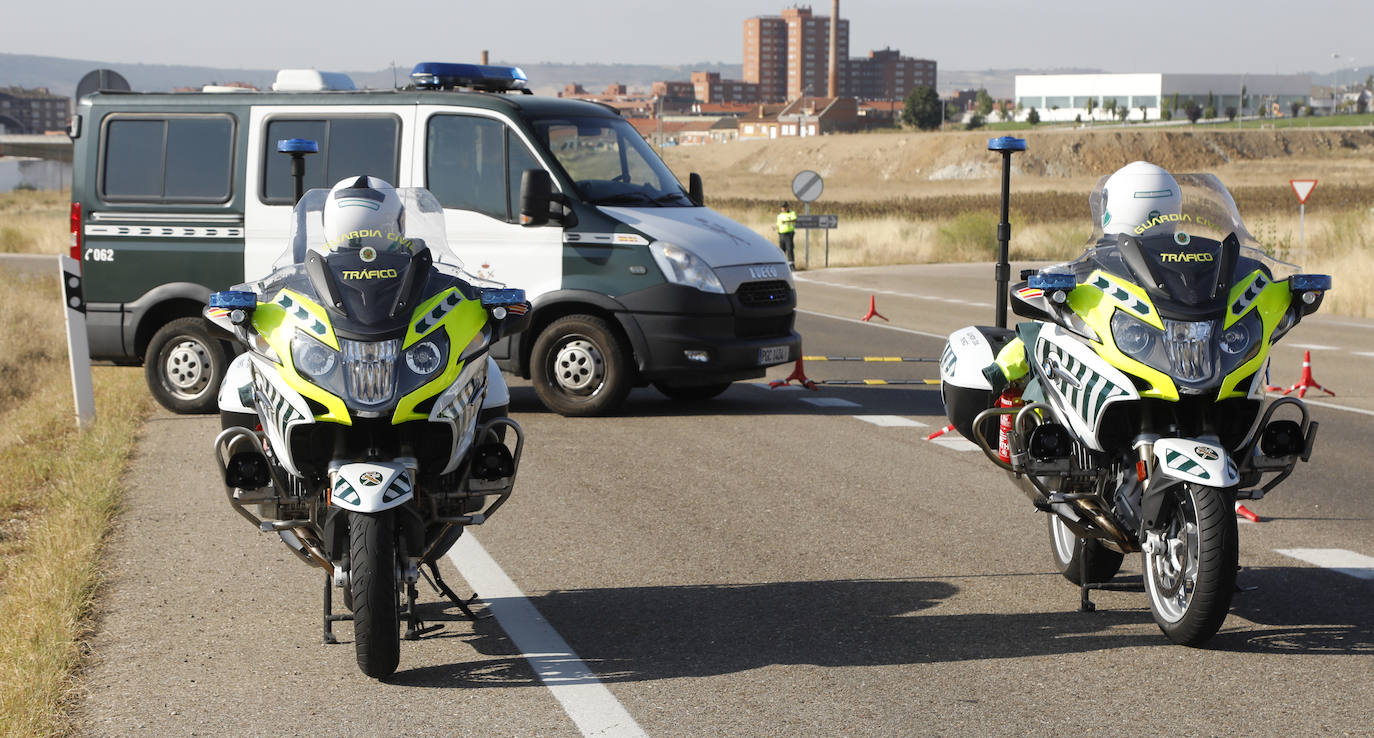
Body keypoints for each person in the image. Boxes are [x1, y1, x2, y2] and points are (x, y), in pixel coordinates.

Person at [983, 160, 1180, 392]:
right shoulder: (1185, 261)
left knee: (1044, 330)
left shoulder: (1096, 266)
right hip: (1150, 364)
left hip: (1147, 367)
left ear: (1114, 205)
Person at [776, 202, 797, 268]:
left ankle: (791, 265)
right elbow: (778, 224)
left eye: (785, 207)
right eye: (782, 207)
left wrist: (786, 221)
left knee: (789, 249)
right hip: (781, 234)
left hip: (789, 234)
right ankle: (783, 265)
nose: (784, 208)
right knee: (782, 250)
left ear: (787, 207)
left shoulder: (791, 213)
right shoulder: (779, 215)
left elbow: (794, 220)